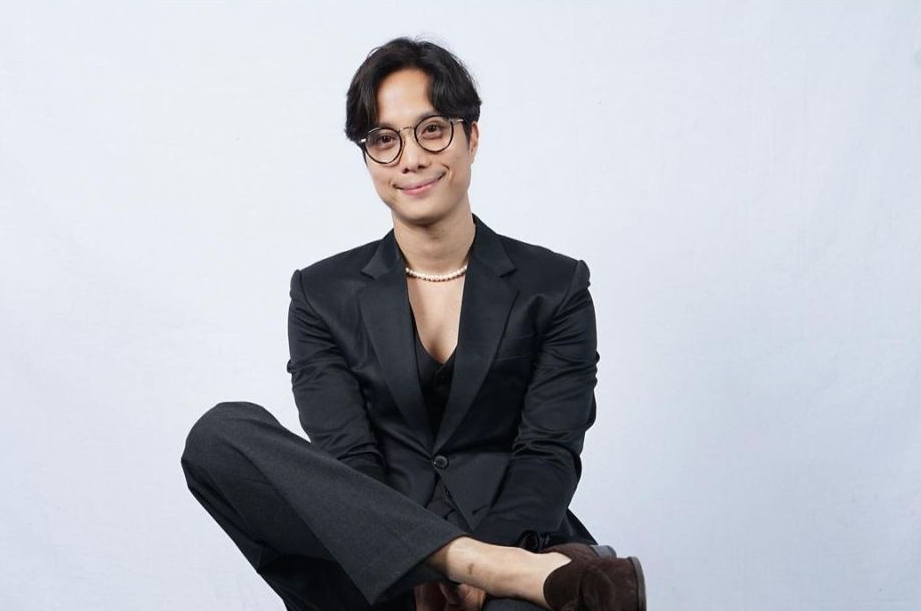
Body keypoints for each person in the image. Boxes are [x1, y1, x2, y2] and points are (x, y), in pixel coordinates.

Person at [181, 37, 645, 611]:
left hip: (520, 543)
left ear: (472, 137)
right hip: (382, 565)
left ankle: (501, 571)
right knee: (219, 435)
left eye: (432, 130)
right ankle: (484, 566)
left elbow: (547, 453)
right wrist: (435, 564)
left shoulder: (555, 285)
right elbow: (350, 461)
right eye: (385, 139)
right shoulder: (320, 294)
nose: (411, 158)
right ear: (368, 158)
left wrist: (490, 566)